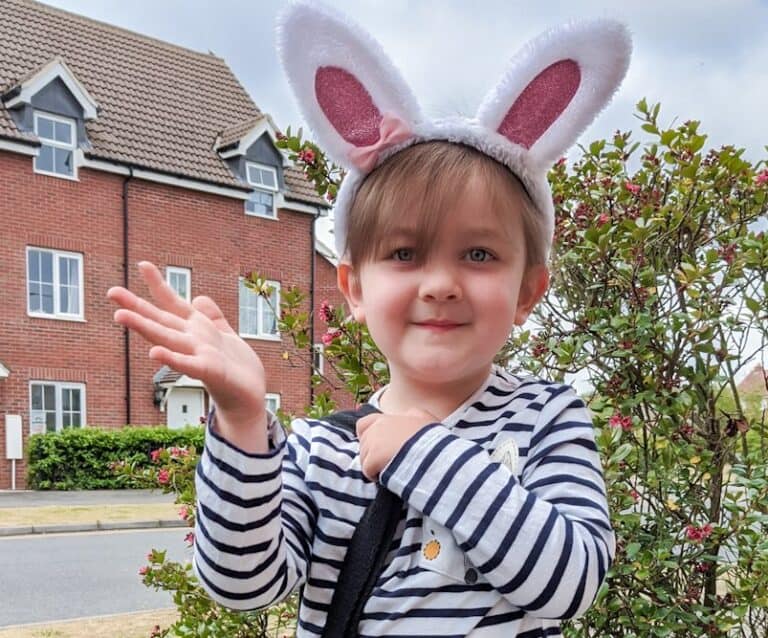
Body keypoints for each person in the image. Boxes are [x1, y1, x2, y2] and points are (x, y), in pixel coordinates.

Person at [108, 3, 631, 636]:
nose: (440, 284)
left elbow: (570, 583)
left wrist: (418, 450)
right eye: (405, 254)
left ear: (527, 291)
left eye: (479, 254)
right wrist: (244, 422)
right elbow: (241, 584)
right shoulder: (322, 449)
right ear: (354, 288)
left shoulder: (547, 419)